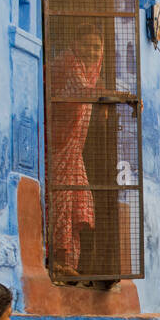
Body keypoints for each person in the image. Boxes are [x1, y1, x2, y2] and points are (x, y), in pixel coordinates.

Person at [47, 25, 105, 278]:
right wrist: (122, 98)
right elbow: (81, 91)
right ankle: (55, 260)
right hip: (58, 149)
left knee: (76, 202)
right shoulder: (68, 63)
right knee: (61, 201)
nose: (92, 52)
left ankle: (67, 263)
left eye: (97, 47)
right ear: (75, 44)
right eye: (87, 45)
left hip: (72, 151)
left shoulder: (91, 72)